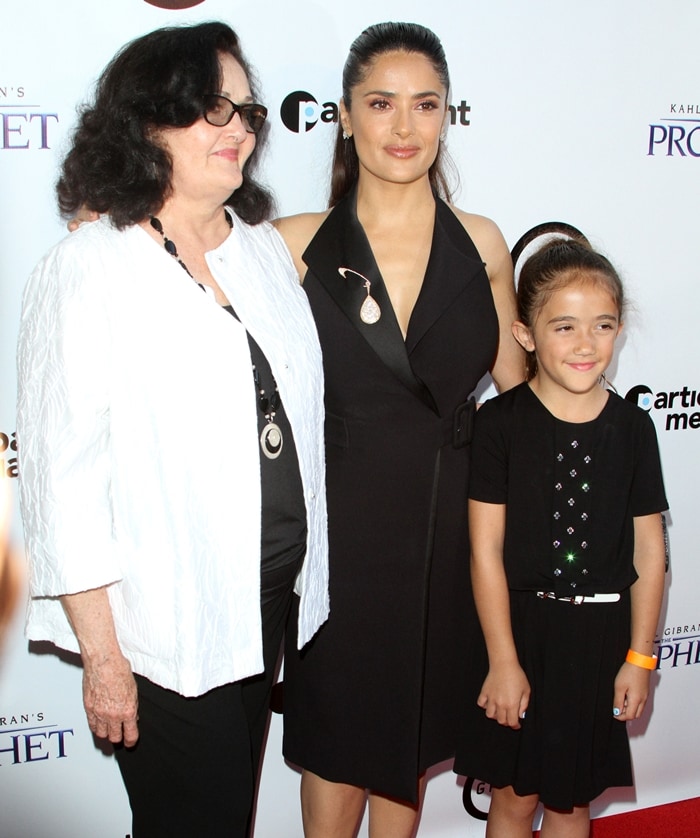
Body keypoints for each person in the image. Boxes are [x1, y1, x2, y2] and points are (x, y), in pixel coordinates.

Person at [16, 22, 328, 838]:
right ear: (145, 121)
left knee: (225, 817)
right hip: (165, 628)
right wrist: (106, 664)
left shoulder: (260, 248)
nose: (239, 128)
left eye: (249, 111)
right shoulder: (88, 268)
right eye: (210, 106)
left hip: (264, 605)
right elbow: (63, 486)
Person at [275, 21, 525, 837]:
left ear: (448, 114)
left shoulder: (481, 243)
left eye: (426, 105)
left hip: (447, 533)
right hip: (337, 538)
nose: (405, 128)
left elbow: (518, 408)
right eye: (381, 104)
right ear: (343, 115)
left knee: (409, 742)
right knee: (339, 749)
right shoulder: (294, 245)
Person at [454, 237, 667, 837]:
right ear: (526, 335)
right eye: (564, 326)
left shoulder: (632, 429)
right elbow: (485, 552)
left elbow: (650, 553)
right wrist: (502, 661)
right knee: (516, 798)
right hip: (517, 636)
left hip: (600, 645)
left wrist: (640, 657)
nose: (584, 344)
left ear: (619, 331)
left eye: (601, 325)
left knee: (571, 803)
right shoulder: (499, 424)